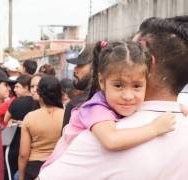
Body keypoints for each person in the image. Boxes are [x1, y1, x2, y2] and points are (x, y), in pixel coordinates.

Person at [38, 16, 188, 179]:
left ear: (148, 65)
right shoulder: (103, 123)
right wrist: (155, 127)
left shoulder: (95, 144)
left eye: (134, 50)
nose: (125, 54)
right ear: (102, 81)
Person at [18, 75, 64, 180]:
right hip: (58, 166)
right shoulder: (67, 115)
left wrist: (21, 177)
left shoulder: (30, 118)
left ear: (40, 93)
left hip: (34, 168)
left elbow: (23, 154)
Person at [5, 75, 39, 179]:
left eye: (17, 87)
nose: (14, 90)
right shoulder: (40, 103)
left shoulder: (16, 102)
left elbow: (6, 119)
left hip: (15, 143)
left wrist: (12, 120)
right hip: (34, 148)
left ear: (26, 88)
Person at [62, 47, 93, 129]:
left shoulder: (75, 105)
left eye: (80, 65)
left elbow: (65, 141)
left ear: (95, 68)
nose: (75, 69)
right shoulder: (113, 102)